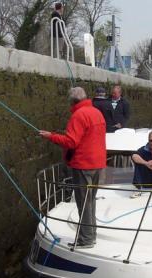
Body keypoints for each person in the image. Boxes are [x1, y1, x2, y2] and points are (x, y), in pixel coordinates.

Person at [39, 87, 106, 248]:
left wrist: (51, 136)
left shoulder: (78, 115)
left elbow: (71, 142)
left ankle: (86, 239)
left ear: (72, 101)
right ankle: (91, 235)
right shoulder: (96, 112)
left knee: (84, 203)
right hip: (99, 164)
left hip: (83, 165)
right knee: (90, 202)